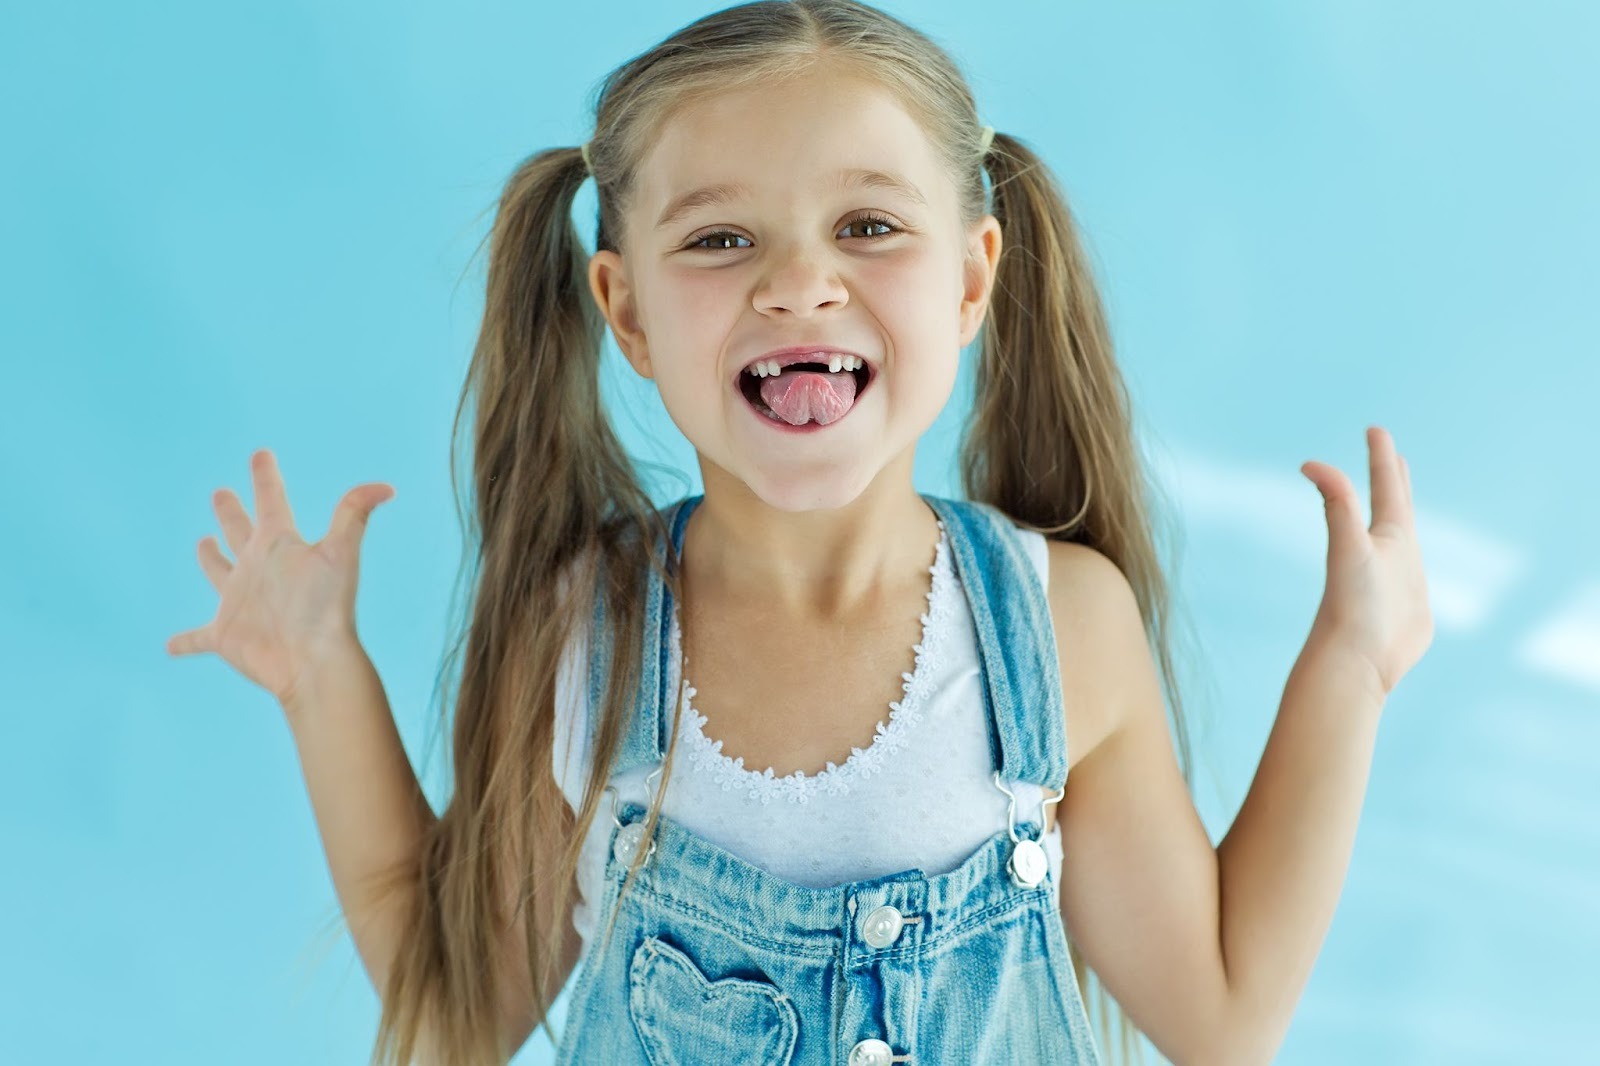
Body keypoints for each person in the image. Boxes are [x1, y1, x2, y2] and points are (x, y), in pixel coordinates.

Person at [165, 1, 1434, 1064]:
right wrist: (321, 676)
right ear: (628, 313)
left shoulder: (1058, 626)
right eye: (719, 239)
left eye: (869, 226)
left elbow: (1221, 1014)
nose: (798, 282)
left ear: (972, 279)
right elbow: (451, 1021)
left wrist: (1350, 666)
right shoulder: (581, 635)